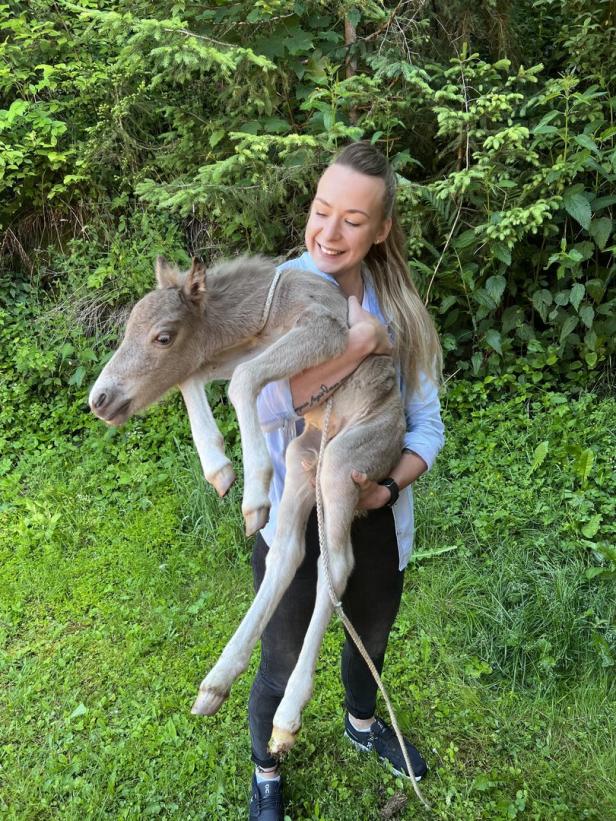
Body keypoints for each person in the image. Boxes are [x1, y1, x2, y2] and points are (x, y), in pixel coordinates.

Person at [248, 141, 445, 820]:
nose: (329, 233)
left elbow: (427, 430)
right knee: (279, 652)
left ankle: (363, 724)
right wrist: (357, 347)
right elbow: (268, 407)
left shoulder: (402, 309)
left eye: (352, 220)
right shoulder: (280, 295)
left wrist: (385, 489)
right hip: (295, 510)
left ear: (382, 228)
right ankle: (268, 765)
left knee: (374, 631)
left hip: (374, 511)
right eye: (320, 211)